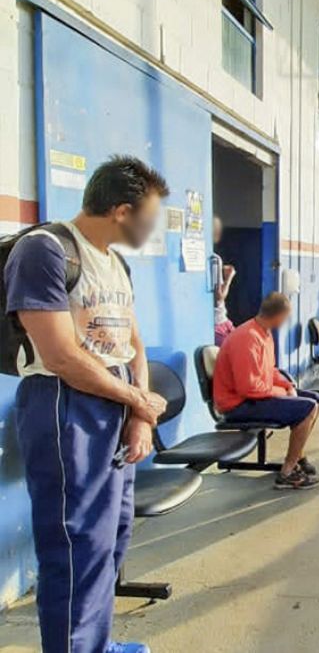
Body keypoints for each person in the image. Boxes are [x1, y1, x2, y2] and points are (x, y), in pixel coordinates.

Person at [5, 156, 171, 653]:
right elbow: (60, 355)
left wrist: (139, 416)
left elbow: (134, 345)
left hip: (114, 399)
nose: (153, 227)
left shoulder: (116, 264)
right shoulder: (46, 250)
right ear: (122, 211)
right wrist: (138, 399)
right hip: (66, 404)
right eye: (150, 216)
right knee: (76, 546)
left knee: (110, 537)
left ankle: (96, 643)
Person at [215, 293, 319, 490]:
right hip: (238, 405)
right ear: (278, 316)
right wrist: (281, 392)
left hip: (254, 397)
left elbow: (270, 370)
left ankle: (297, 455)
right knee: (308, 408)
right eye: (286, 317)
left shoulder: (264, 333)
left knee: (316, 399)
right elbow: (248, 388)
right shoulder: (247, 338)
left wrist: (288, 386)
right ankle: (287, 473)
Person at [212, 215, 236, 346]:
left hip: (219, 321)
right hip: (219, 322)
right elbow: (219, 297)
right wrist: (229, 277)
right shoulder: (215, 259)